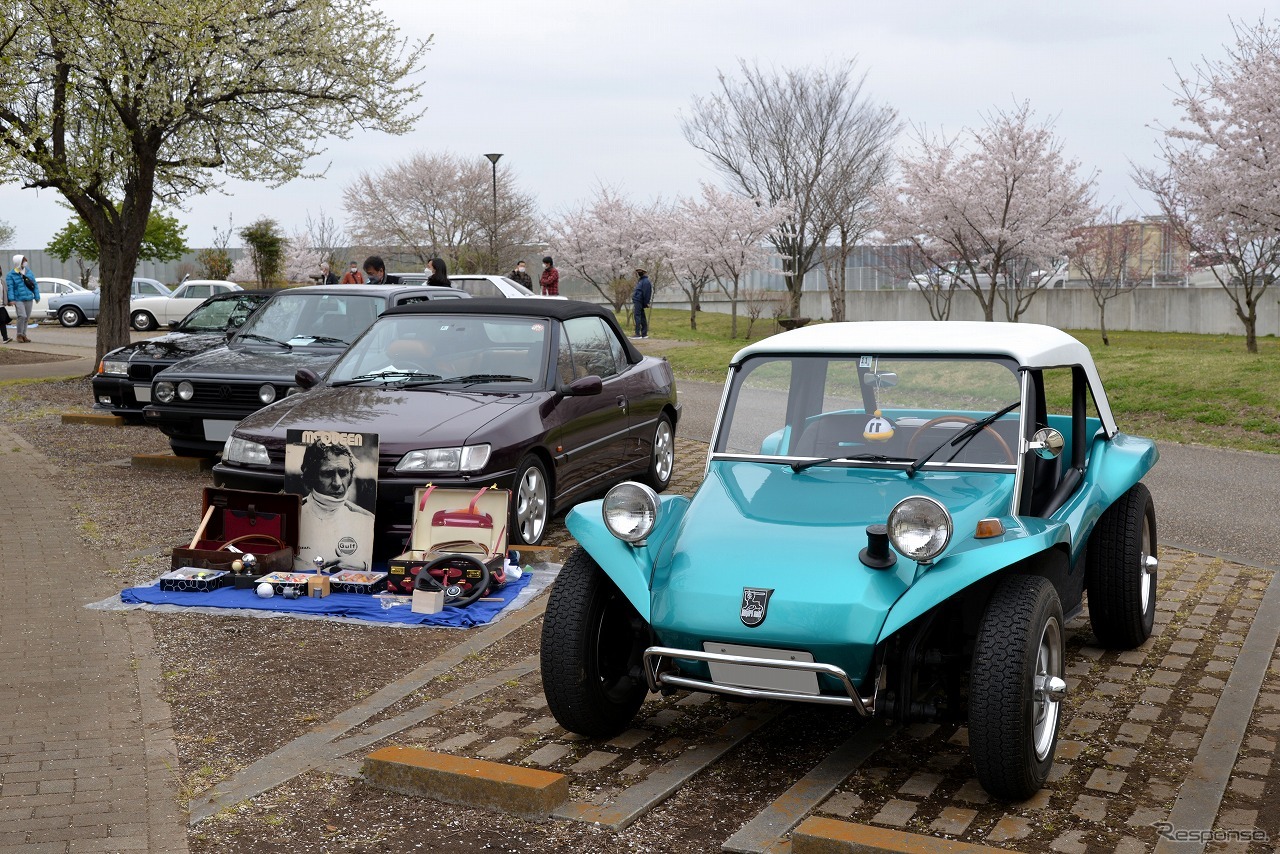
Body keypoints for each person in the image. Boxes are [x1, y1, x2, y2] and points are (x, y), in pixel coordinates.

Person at [297, 441, 374, 571]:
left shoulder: (366, 521)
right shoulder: (293, 517)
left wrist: (364, 566)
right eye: (328, 473)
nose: (337, 483)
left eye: (343, 473)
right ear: (311, 477)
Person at [5, 254, 39, 343]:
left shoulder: (29, 272)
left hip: (29, 298)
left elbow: (34, 285)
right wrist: (11, 299)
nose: (25, 263)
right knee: (22, 316)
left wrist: (36, 295)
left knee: (27, 318)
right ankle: (19, 334)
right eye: (24, 261)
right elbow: (10, 288)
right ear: (18, 262)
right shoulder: (11, 275)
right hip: (18, 299)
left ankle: (24, 335)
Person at [632, 267, 652, 339]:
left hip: (639, 301)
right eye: (638, 272)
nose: (638, 273)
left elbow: (646, 293)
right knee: (642, 317)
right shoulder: (641, 281)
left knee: (637, 316)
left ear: (644, 272)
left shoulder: (645, 281)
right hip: (638, 300)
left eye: (640, 272)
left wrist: (646, 302)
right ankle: (644, 333)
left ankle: (638, 333)